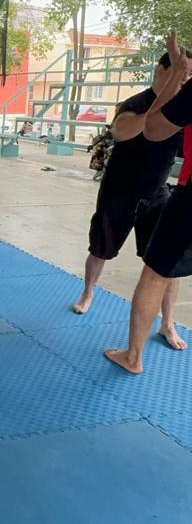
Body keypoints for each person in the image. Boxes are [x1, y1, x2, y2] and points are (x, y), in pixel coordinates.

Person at [72, 46, 192, 350]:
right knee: (101, 248)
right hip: (119, 190)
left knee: (166, 264)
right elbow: (121, 131)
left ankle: (167, 323)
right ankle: (88, 293)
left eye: (189, 73)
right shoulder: (137, 102)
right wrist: (157, 113)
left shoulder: (182, 108)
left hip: (157, 193)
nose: (185, 78)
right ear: (161, 71)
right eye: (180, 71)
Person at [105, 31, 192, 374]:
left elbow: (155, 129)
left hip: (181, 194)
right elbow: (129, 130)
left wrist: (176, 75)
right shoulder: (134, 102)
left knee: (157, 271)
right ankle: (165, 326)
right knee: (168, 264)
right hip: (129, 189)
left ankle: (134, 356)